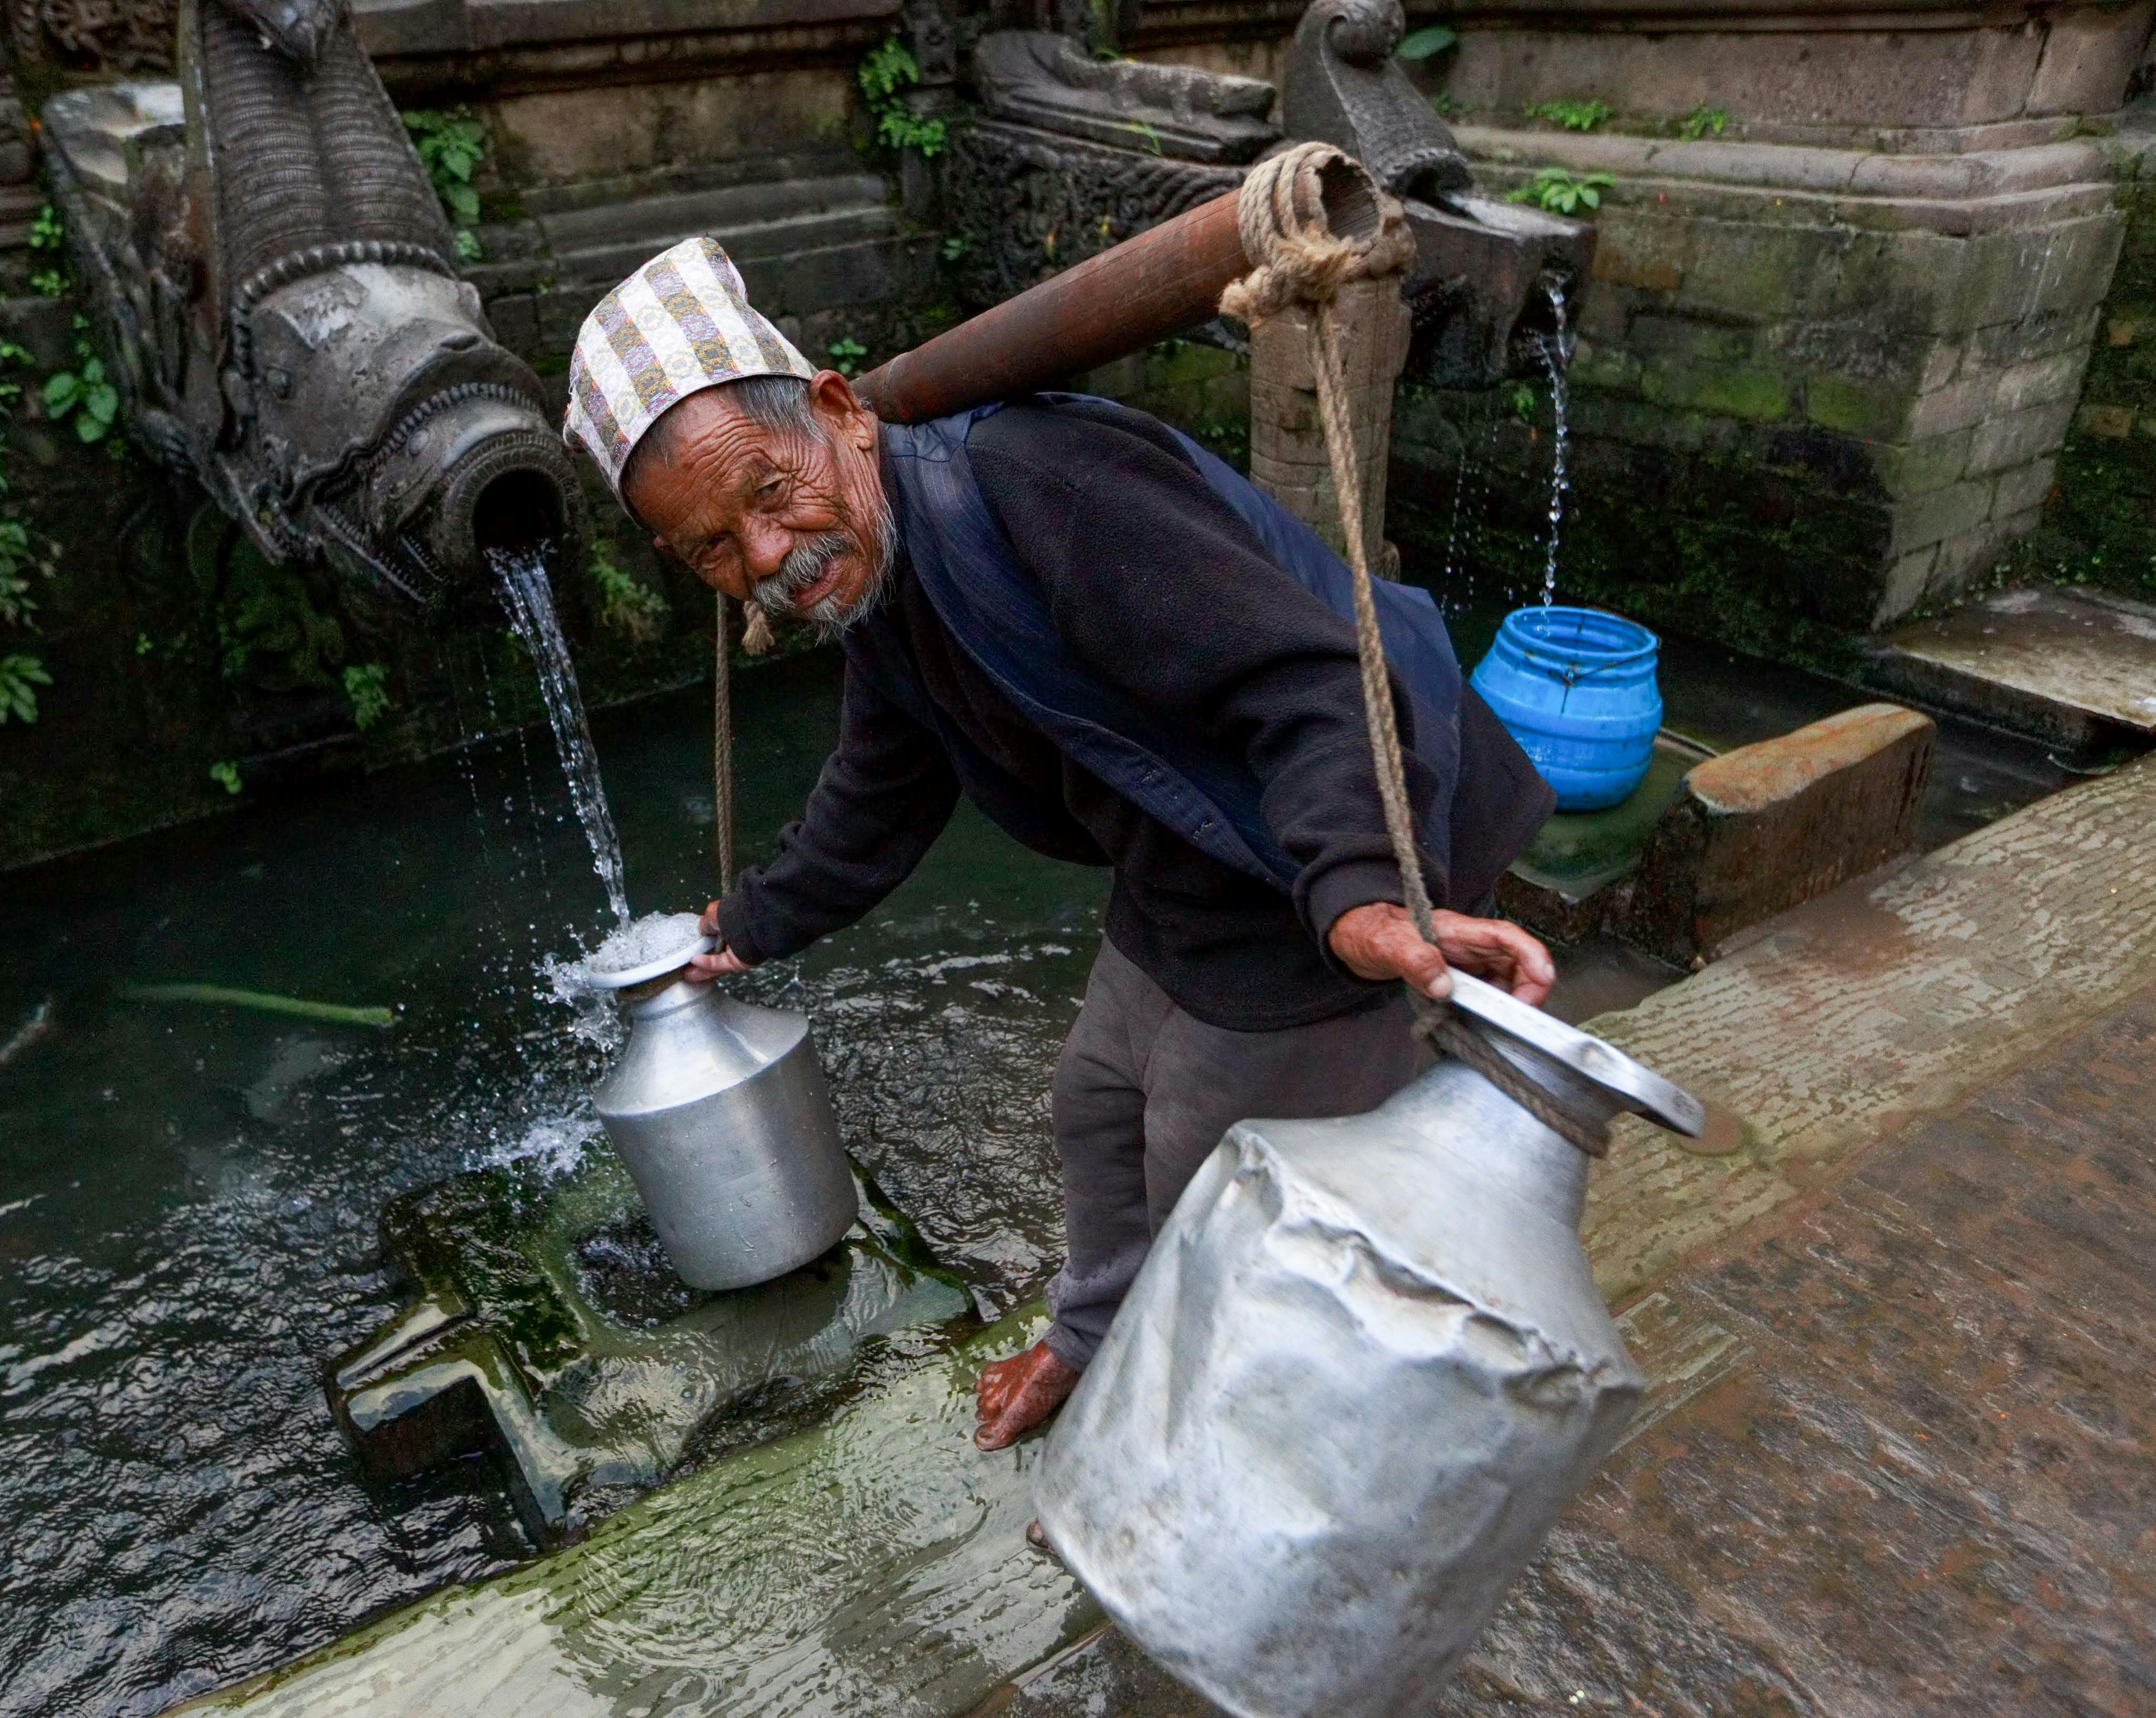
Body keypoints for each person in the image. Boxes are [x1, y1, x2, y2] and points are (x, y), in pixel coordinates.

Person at [564, 237, 1558, 1451]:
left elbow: (1312, 684)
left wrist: (1358, 894)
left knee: (1219, 1181)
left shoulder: (1040, 482)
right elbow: (882, 782)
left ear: (838, 412)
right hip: (1189, 851)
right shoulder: (875, 572)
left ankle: (1215, 1448)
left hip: (1346, 822)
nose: (766, 559)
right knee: (1097, 1104)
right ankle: (1095, 1341)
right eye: (712, 549)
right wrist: (747, 927)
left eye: (769, 495)